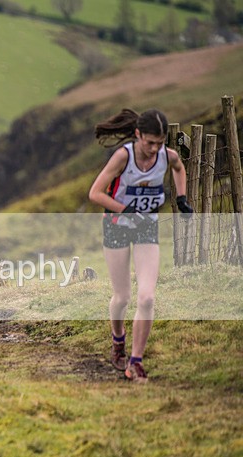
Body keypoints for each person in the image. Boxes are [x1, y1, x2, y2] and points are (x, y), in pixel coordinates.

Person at [88, 108, 193, 383]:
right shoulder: (123, 156)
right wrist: (126, 209)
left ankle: (135, 362)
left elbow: (179, 167)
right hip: (117, 226)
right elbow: (95, 193)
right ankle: (118, 341)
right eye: (149, 143)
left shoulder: (167, 156)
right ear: (138, 135)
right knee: (122, 297)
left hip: (147, 227)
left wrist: (181, 198)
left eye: (160, 143)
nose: (154, 149)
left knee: (146, 297)